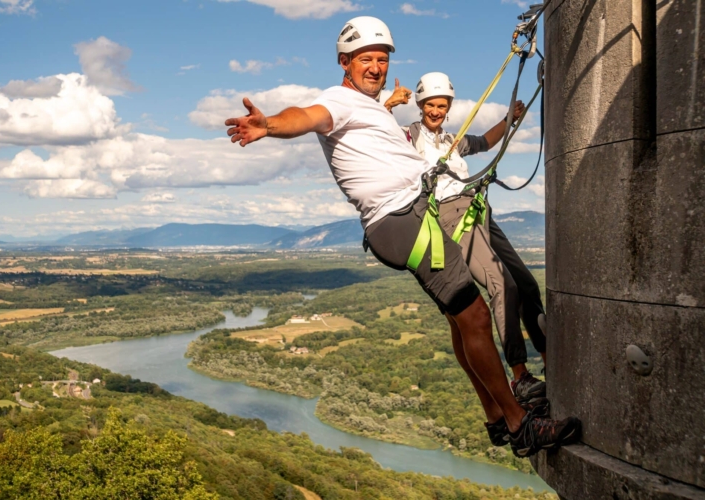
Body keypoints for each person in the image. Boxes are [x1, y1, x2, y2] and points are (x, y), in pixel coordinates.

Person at [224, 16, 580, 457]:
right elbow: (309, 116)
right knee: (475, 318)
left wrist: (390, 101)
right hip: (403, 219)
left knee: (459, 319)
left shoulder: (373, 108)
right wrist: (271, 125)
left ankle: (494, 416)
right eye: (365, 60)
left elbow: (380, 124)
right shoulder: (339, 100)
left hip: (413, 217)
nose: (375, 66)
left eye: (382, 59)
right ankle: (519, 422)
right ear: (344, 63)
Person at [384, 72, 548, 403]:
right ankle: (520, 376)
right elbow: (382, 139)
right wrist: (387, 107)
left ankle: (550, 359)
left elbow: (486, 141)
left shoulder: (451, 141)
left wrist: (509, 120)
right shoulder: (411, 137)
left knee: (526, 286)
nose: (436, 111)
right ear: (420, 105)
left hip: (478, 210)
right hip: (453, 216)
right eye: (430, 104)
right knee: (503, 285)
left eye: (442, 105)